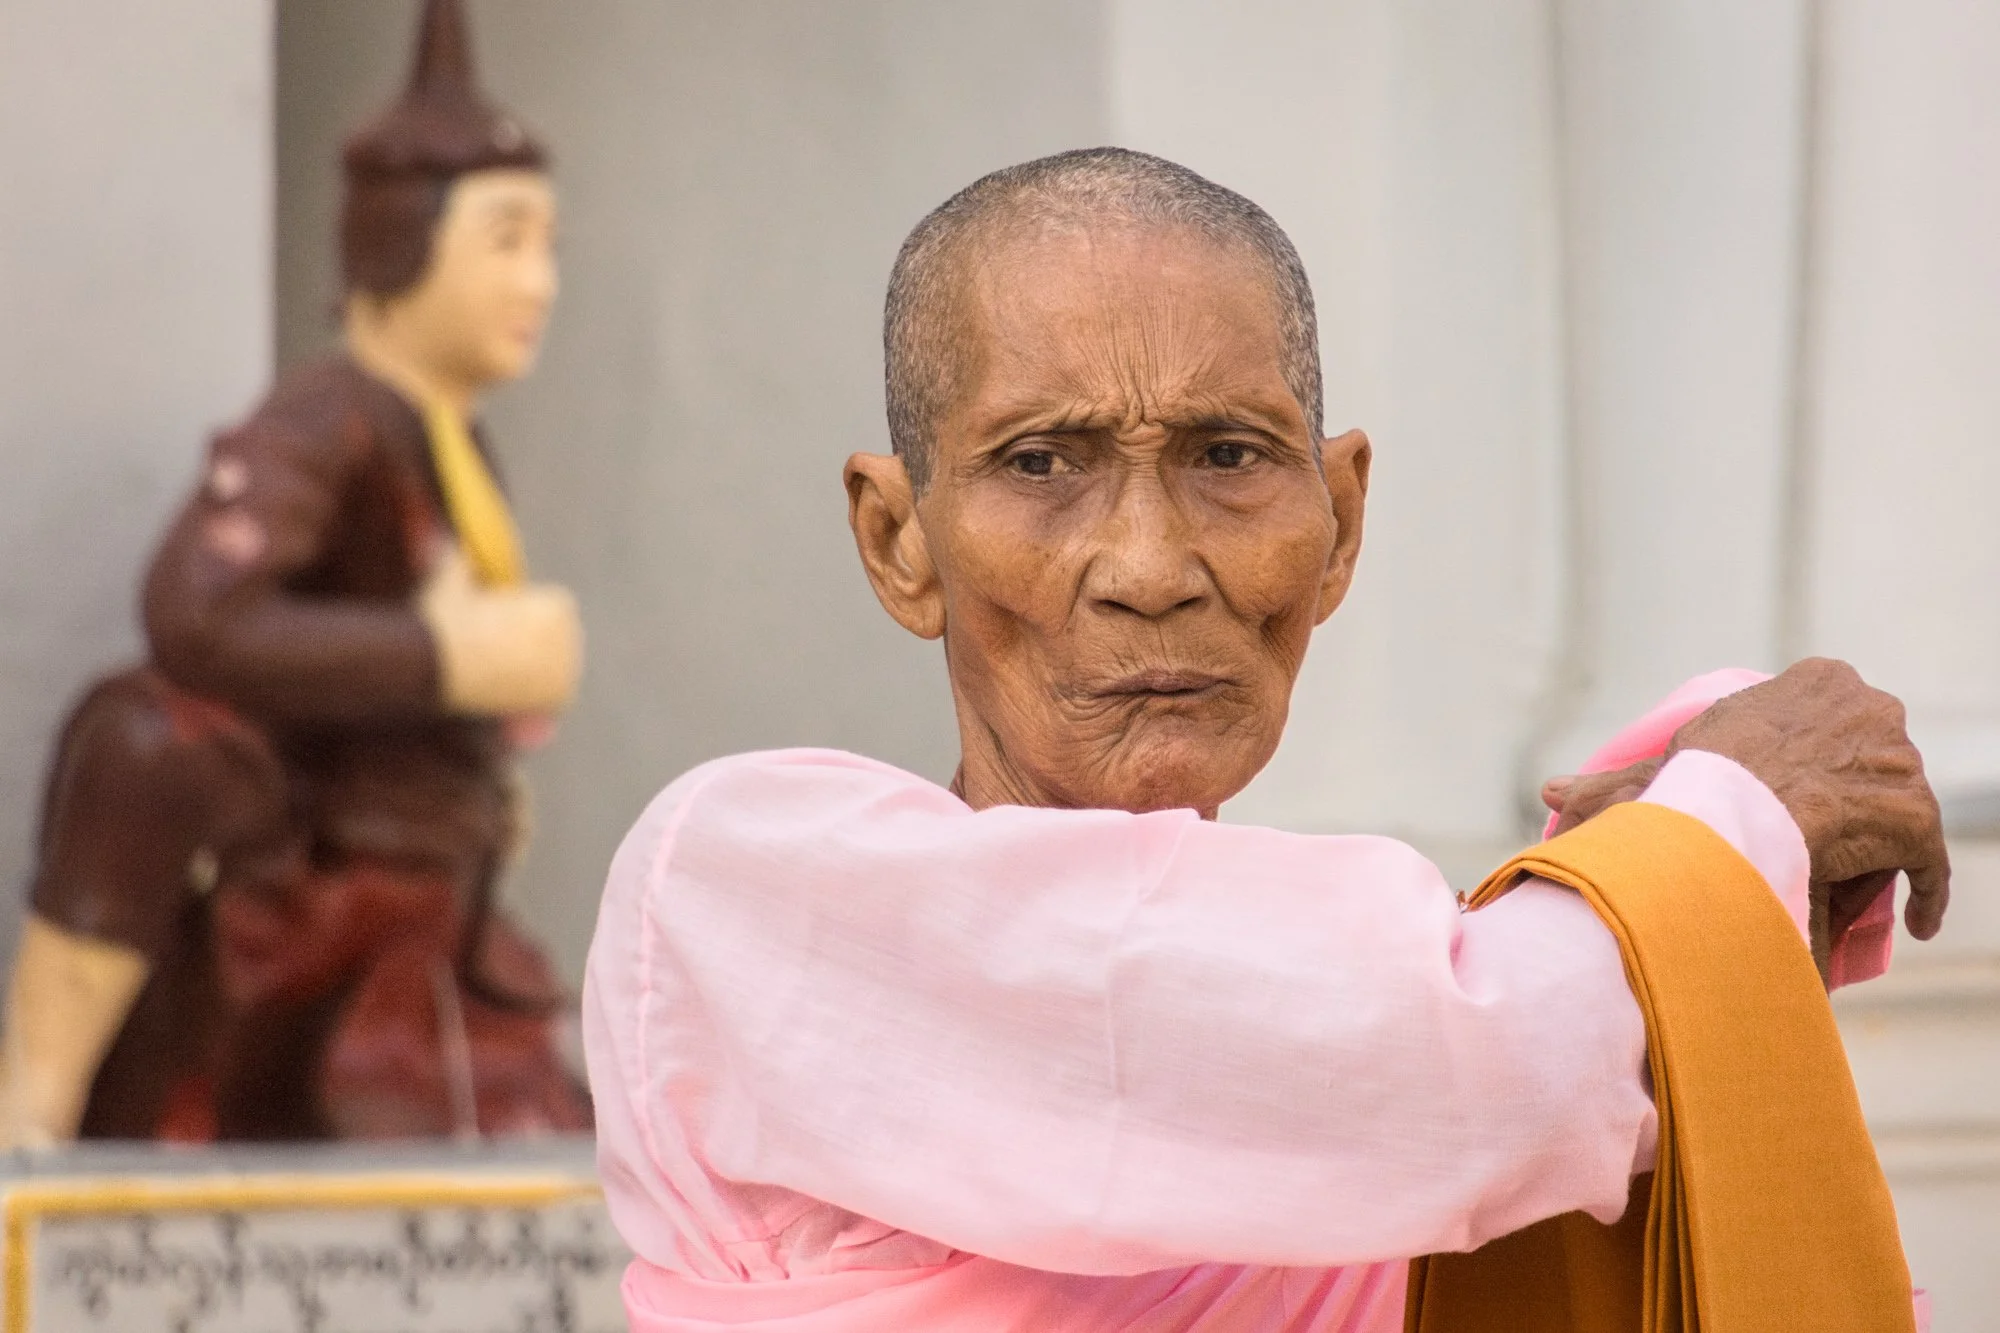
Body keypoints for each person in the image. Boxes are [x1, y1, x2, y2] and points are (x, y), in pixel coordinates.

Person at [582, 149, 1948, 1330]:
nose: (1149, 567)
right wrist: (1727, 828)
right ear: (899, 538)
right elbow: (1474, 1062)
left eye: (1228, 456)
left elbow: (1488, 1042)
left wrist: (1679, 865)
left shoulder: (1371, 1020)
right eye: (1041, 463)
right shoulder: (731, 886)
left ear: (1337, 521)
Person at [0, 0, 588, 1144]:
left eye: (547, 246)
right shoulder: (329, 419)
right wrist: (449, 656)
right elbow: (195, 610)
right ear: (399, 239)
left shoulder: (450, 439)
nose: (540, 283)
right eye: (506, 241)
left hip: (437, 913)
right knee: (141, 735)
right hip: (333, 914)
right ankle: (32, 1105)